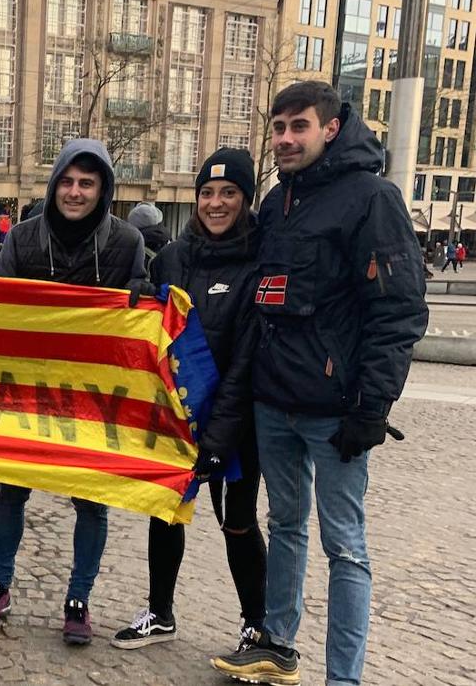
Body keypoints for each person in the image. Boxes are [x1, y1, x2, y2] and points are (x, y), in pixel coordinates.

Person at [211, 81, 427, 685]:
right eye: (277, 128)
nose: (284, 139)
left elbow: (400, 309)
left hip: (337, 411)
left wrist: (372, 405)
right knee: (284, 525)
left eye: (297, 127)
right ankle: (277, 644)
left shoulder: (371, 198)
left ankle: (344, 677)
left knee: (346, 547)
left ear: (329, 129)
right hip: (274, 402)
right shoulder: (279, 201)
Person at [0, 139, 148, 642]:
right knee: (11, 490)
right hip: (25, 388)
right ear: (54, 186)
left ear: (102, 189)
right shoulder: (22, 240)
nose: (75, 192)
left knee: (91, 500)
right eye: (67, 181)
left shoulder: (127, 243)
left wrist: (148, 293)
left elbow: (141, 320)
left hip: (93, 394)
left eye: (86, 183)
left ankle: (78, 599)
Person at [111, 149, 266, 653]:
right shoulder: (176, 256)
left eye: (228, 193)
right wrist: (137, 291)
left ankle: (255, 624)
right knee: (165, 511)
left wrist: (220, 438)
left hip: (237, 423)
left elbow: (246, 362)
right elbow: (152, 313)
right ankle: (160, 612)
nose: (215, 203)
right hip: (176, 418)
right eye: (207, 193)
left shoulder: (260, 260)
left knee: (237, 521)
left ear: (245, 199)